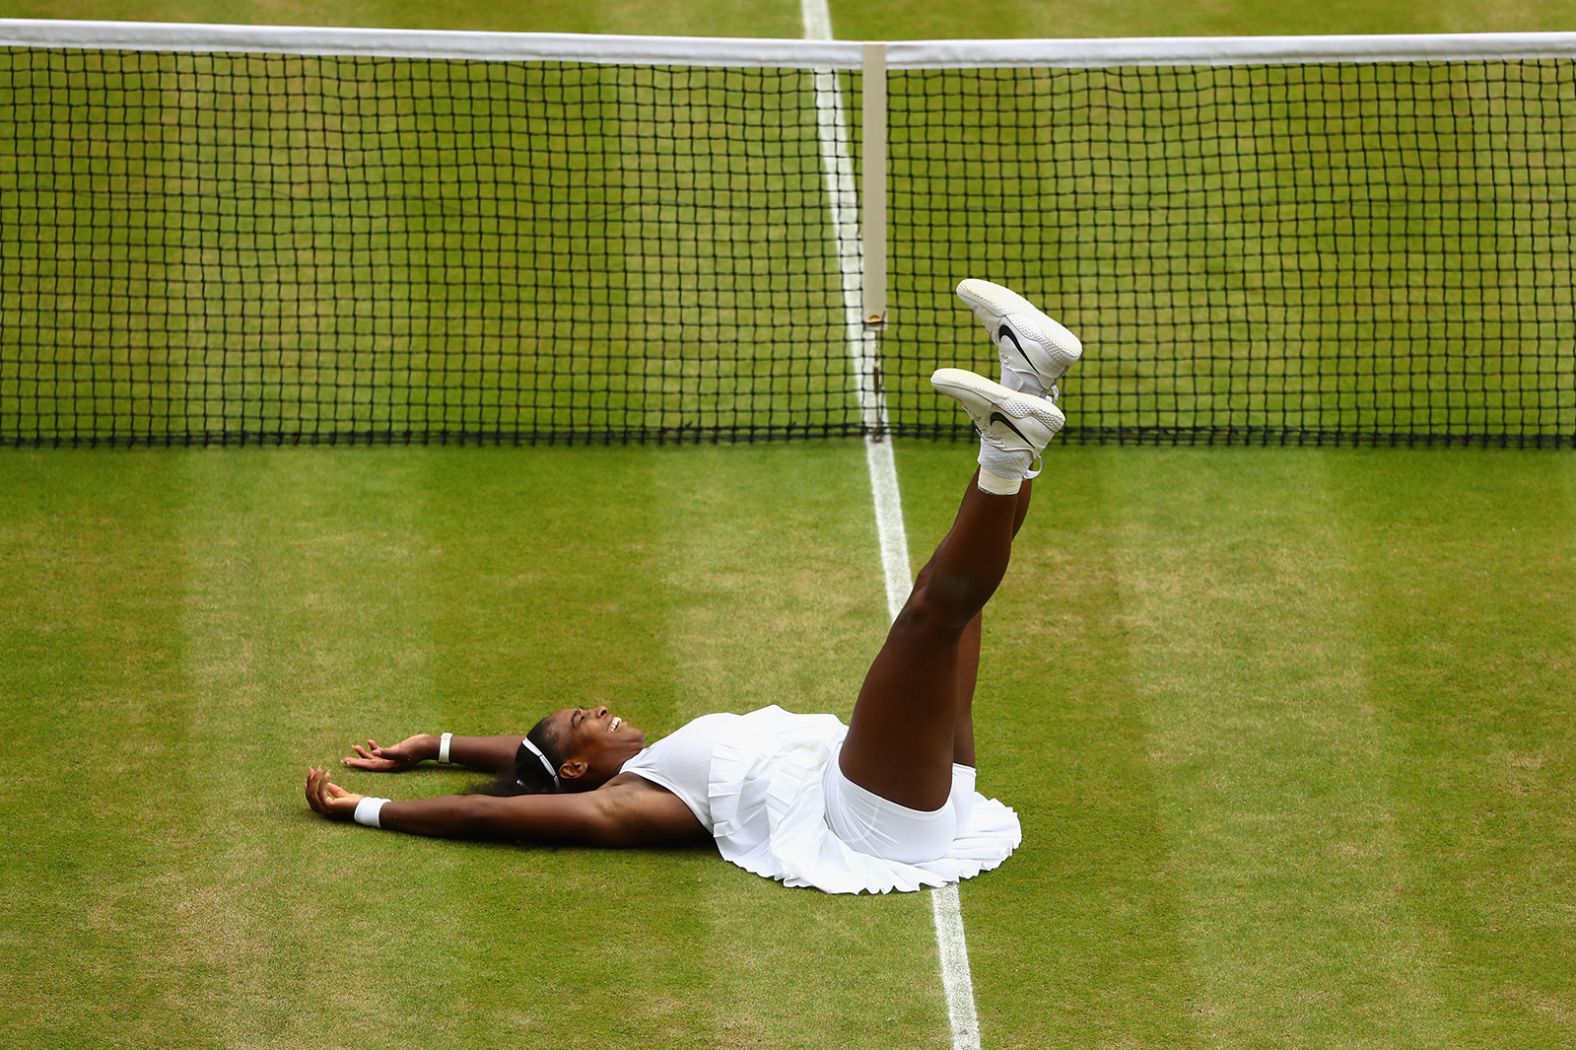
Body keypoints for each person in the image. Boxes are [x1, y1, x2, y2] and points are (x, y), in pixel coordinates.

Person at [303, 279, 1082, 894]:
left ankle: (1026, 384)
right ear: (580, 768)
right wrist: (365, 810)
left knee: (949, 601)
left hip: (908, 788)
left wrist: (434, 744)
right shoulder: (631, 804)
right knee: (928, 617)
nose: (601, 707)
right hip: (877, 820)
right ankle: (1009, 443)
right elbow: (487, 810)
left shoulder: (624, 764)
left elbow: (524, 759)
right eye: (586, 718)